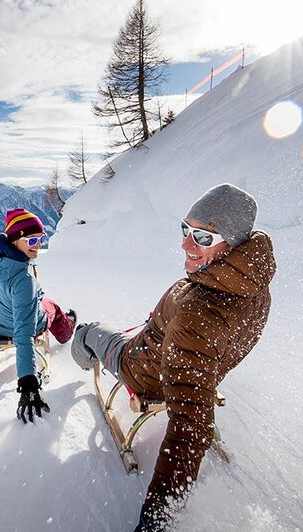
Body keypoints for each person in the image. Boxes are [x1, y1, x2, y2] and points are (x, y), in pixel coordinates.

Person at [71, 184, 276, 531]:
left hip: (141, 368)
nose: (185, 244)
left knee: (94, 331)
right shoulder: (256, 288)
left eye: (203, 237)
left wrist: (157, 518)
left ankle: (79, 349)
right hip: (183, 364)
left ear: (234, 244)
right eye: (186, 230)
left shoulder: (198, 313)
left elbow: (189, 428)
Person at [0, 208, 77, 423]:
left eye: (41, 239)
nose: (39, 245)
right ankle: (66, 331)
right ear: (15, 239)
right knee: (50, 306)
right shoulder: (23, 279)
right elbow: (24, 333)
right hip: (23, 324)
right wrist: (28, 382)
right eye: (32, 240)